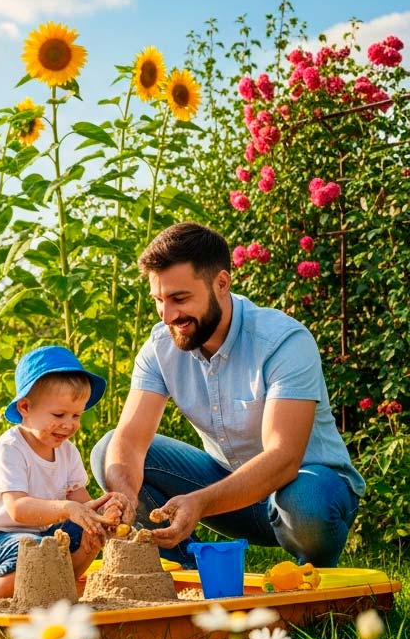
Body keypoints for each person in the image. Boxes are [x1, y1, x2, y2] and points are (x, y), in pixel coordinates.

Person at [91, 221, 364, 569]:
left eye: (179, 298)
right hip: (229, 492)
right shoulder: (161, 346)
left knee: (305, 500)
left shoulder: (283, 341)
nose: (168, 315)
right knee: (108, 452)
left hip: (306, 490)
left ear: (221, 283)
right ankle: (183, 570)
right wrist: (125, 498)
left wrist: (200, 502)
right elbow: (129, 441)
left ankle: (312, 581)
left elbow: (283, 458)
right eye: (159, 300)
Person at [0, 345, 126, 600]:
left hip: (39, 538)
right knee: (36, 550)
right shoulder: (10, 450)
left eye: (76, 415)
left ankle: (61, 593)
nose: (69, 424)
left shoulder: (68, 453)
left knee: (87, 533)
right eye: (59, 414)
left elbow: (82, 505)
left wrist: (105, 513)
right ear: (25, 407)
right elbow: (18, 508)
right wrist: (68, 509)